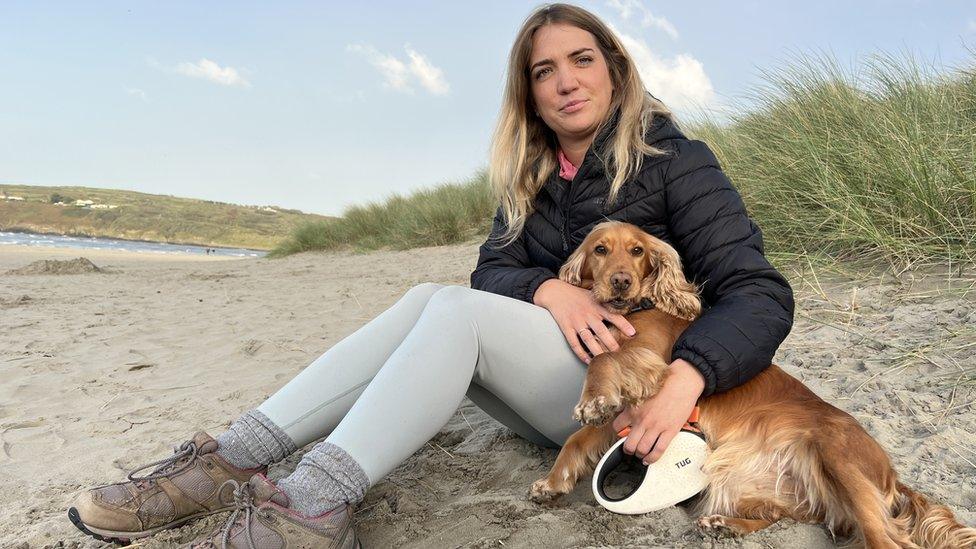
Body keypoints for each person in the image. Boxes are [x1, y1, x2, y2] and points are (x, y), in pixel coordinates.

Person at [68, 3, 795, 548]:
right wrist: (549, 287)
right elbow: (494, 267)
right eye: (544, 71)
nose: (566, 82)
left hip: (649, 405)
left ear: (615, 68)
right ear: (529, 93)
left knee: (453, 313)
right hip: (569, 388)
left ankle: (314, 503)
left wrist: (686, 378)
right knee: (431, 296)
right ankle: (231, 458)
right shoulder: (534, 179)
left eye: (581, 60)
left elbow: (760, 293)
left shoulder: (678, 160)